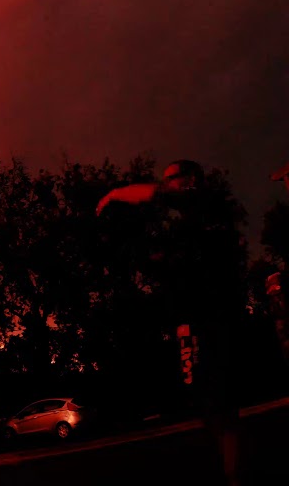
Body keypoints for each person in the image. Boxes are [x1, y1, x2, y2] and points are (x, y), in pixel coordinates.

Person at [98, 160, 243, 486]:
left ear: (190, 179)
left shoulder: (204, 202)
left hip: (213, 319)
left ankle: (234, 475)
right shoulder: (187, 226)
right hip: (189, 321)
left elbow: (156, 195)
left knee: (221, 403)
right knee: (203, 403)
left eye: (172, 178)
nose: (167, 184)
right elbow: (177, 261)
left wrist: (114, 195)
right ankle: (226, 469)